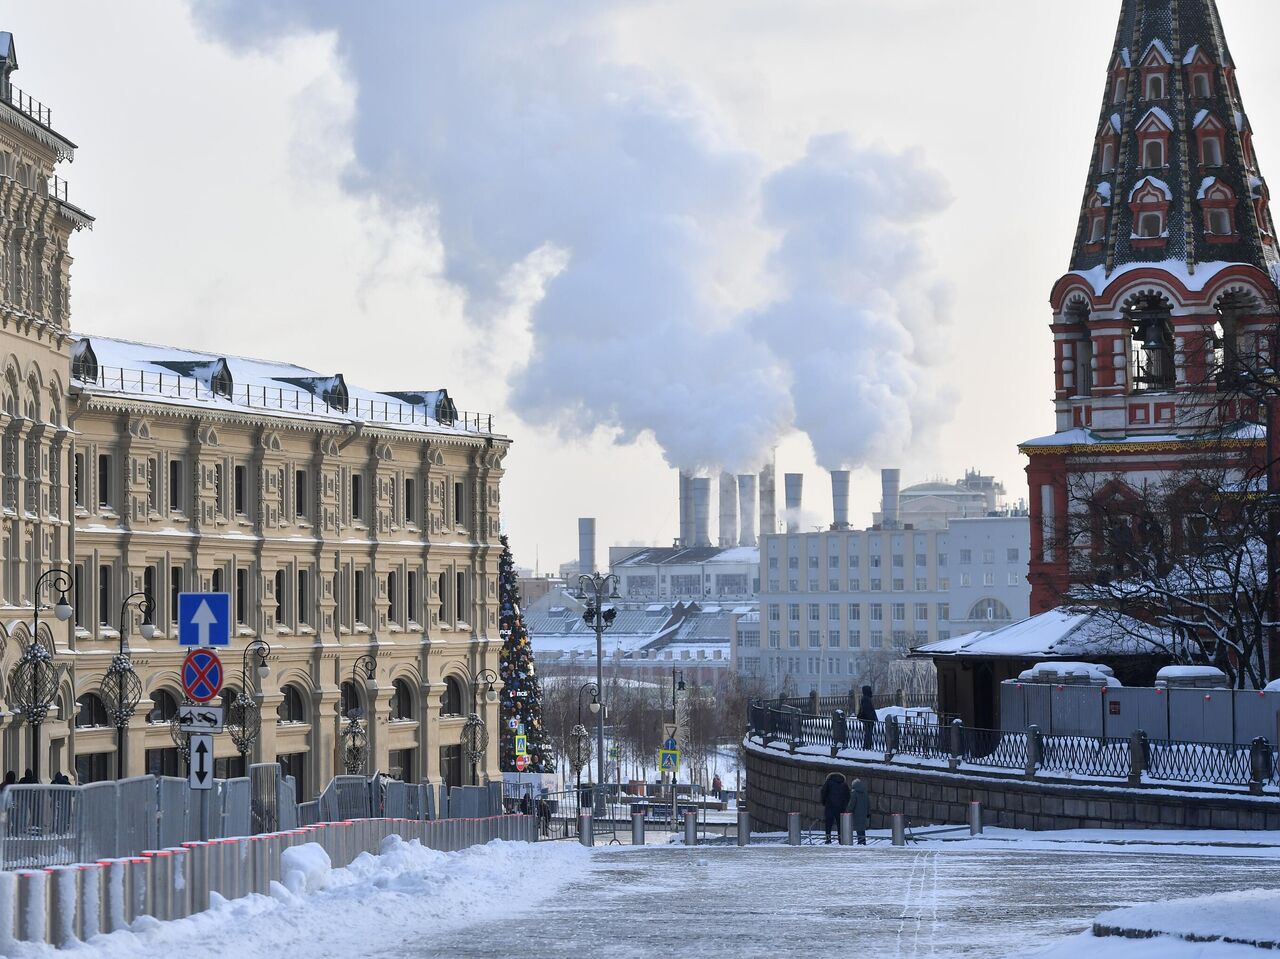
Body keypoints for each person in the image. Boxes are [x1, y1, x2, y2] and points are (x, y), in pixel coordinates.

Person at [819, 771, 850, 844]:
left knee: (828, 824)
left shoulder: (828, 783)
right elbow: (848, 796)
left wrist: (824, 802)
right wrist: (844, 805)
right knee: (840, 824)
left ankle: (828, 839)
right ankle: (841, 840)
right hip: (840, 808)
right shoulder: (844, 784)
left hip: (830, 806)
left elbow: (823, 792)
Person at [848, 778, 870, 846]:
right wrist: (868, 813)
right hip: (863, 813)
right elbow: (868, 803)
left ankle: (860, 841)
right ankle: (863, 841)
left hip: (856, 813)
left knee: (858, 828)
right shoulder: (865, 792)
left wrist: (849, 810)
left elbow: (852, 804)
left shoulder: (854, 793)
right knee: (862, 828)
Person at [857, 685, 877, 749]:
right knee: (868, 733)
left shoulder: (866, 698)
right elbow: (867, 710)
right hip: (868, 720)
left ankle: (867, 746)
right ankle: (867, 746)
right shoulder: (866, 699)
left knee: (868, 733)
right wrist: (872, 718)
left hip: (868, 719)